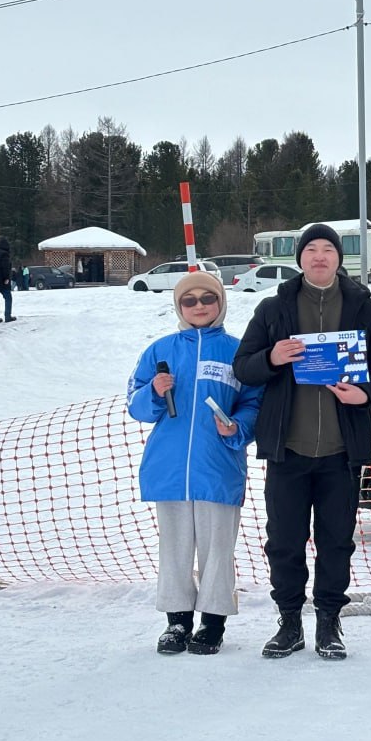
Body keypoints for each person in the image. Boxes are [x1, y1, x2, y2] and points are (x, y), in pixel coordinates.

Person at [233, 224, 371, 661]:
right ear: (300, 258)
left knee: (336, 541)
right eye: (312, 249)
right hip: (288, 449)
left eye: (329, 249)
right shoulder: (274, 309)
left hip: (341, 451)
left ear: (340, 258)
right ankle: (289, 622)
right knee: (284, 541)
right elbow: (244, 367)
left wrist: (366, 393)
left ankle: (329, 621)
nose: (320, 257)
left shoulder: (364, 307)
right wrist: (271, 357)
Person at [126, 271, 262, 656]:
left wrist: (236, 428)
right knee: (175, 547)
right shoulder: (160, 350)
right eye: (190, 300)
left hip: (218, 467)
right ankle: (177, 621)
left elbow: (254, 404)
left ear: (221, 303)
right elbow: (135, 401)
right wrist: (153, 392)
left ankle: (213, 622)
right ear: (179, 306)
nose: (199, 306)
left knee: (218, 547)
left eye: (208, 298)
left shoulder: (238, 352)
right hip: (169, 469)